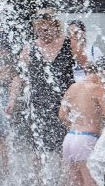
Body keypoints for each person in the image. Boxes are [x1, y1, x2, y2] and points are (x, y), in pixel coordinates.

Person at [9, 10, 81, 161]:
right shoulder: (29, 48)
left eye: (46, 29)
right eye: (38, 30)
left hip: (65, 106)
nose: (42, 33)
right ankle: (40, 185)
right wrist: (12, 100)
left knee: (65, 149)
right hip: (39, 106)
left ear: (55, 26)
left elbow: (86, 67)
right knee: (38, 152)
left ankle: (65, 183)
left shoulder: (69, 43)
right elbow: (19, 76)